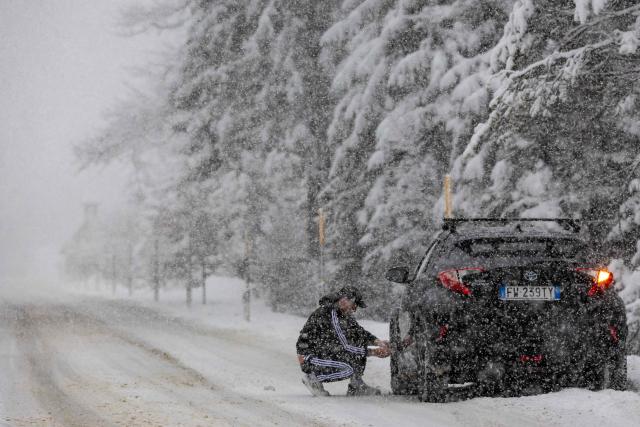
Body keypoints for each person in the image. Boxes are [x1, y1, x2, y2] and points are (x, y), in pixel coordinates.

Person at [296, 286, 391, 396]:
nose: (354, 310)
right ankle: (313, 379)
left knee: (357, 343)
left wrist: (377, 342)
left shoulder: (343, 314)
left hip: (326, 349)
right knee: (348, 369)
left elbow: (358, 332)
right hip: (309, 356)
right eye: (354, 305)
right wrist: (374, 352)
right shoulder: (331, 313)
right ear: (345, 300)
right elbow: (345, 347)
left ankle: (356, 385)